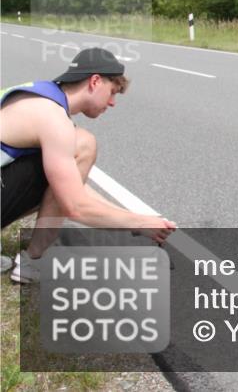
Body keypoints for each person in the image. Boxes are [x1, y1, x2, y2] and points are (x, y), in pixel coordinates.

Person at [1, 48, 175, 283]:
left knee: (67, 167)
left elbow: (74, 186)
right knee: (84, 143)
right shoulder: (53, 119)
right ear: (95, 81)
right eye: (112, 92)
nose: (112, 103)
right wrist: (140, 223)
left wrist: (135, 221)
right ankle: (33, 262)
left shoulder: (39, 96)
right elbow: (74, 205)